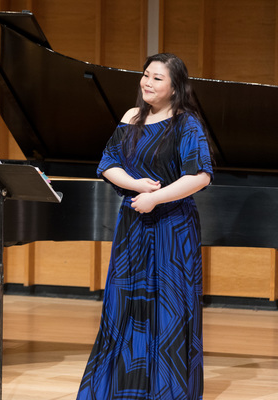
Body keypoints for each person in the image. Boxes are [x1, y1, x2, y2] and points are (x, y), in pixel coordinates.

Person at [76, 53, 214, 399]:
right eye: (145, 75)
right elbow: (108, 163)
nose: (147, 83)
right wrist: (138, 187)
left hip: (172, 227)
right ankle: (124, 389)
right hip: (134, 224)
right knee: (125, 304)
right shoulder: (131, 118)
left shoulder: (186, 124)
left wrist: (158, 197)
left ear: (174, 87)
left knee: (169, 306)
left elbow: (200, 176)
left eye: (157, 78)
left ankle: (167, 391)